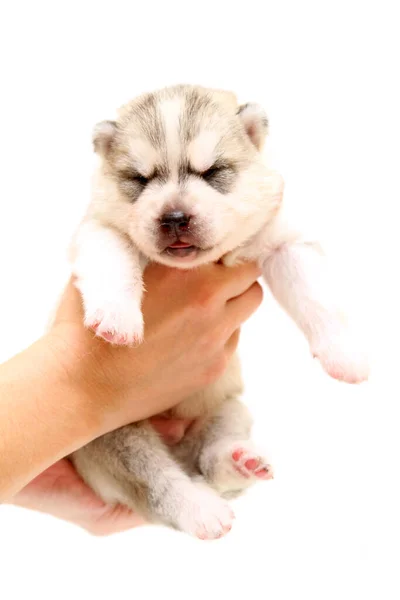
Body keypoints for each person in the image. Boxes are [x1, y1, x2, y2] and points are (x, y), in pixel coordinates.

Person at [0, 261, 263, 535]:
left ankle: (220, 464)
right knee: (116, 442)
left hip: (197, 419)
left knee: (231, 415)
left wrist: (30, 473)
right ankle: (189, 489)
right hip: (117, 435)